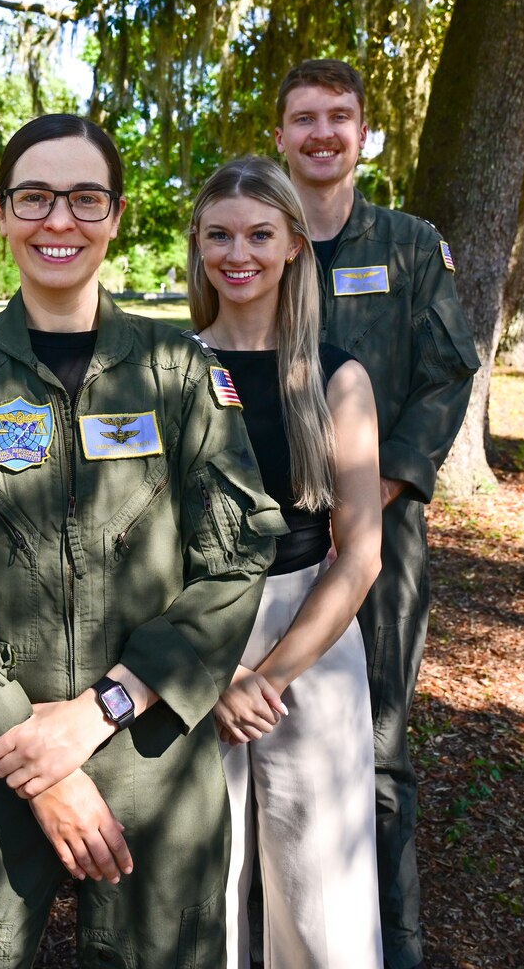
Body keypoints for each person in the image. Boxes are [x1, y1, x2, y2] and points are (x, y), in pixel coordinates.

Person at [0, 114, 286, 969]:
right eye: (35, 197)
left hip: (152, 746)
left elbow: (238, 557)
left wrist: (106, 709)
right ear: (0, 211)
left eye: (84, 198)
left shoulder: (181, 373)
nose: (59, 221)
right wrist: (35, 757)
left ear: (117, 215)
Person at [274, 60, 480, 969]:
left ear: (364, 134)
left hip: (380, 541)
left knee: (381, 752)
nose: (323, 134)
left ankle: (394, 952)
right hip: (264, 551)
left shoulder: (406, 244)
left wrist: (381, 488)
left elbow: (448, 373)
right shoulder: (256, 237)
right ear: (279, 134)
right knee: (260, 737)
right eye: (305, 119)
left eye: (340, 118)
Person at [187, 156, 383, 968]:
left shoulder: (337, 377)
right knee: (201, 884)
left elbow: (361, 553)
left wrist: (266, 676)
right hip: (191, 635)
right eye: (220, 235)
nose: (240, 254)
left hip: (311, 635)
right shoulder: (168, 371)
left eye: (260, 234)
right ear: (197, 246)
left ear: (294, 243)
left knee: (321, 899)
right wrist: (215, 672)